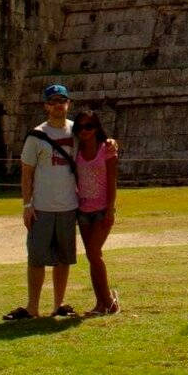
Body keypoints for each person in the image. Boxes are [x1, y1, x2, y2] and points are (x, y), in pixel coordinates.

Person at [3, 83, 79, 320]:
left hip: (68, 205)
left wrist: (111, 142)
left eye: (62, 101)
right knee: (36, 258)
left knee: (63, 259)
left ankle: (59, 304)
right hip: (42, 207)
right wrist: (27, 205)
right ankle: (32, 306)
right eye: (53, 101)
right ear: (46, 106)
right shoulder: (37, 135)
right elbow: (26, 173)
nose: (58, 105)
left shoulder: (77, 132)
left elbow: (99, 147)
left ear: (68, 104)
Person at [73, 108, 119, 315]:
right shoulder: (76, 150)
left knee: (94, 253)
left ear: (96, 127)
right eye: (81, 126)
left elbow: (112, 181)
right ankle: (101, 304)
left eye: (89, 126)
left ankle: (109, 301)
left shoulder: (106, 149)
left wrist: (110, 209)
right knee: (92, 256)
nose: (85, 130)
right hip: (83, 210)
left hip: (101, 210)